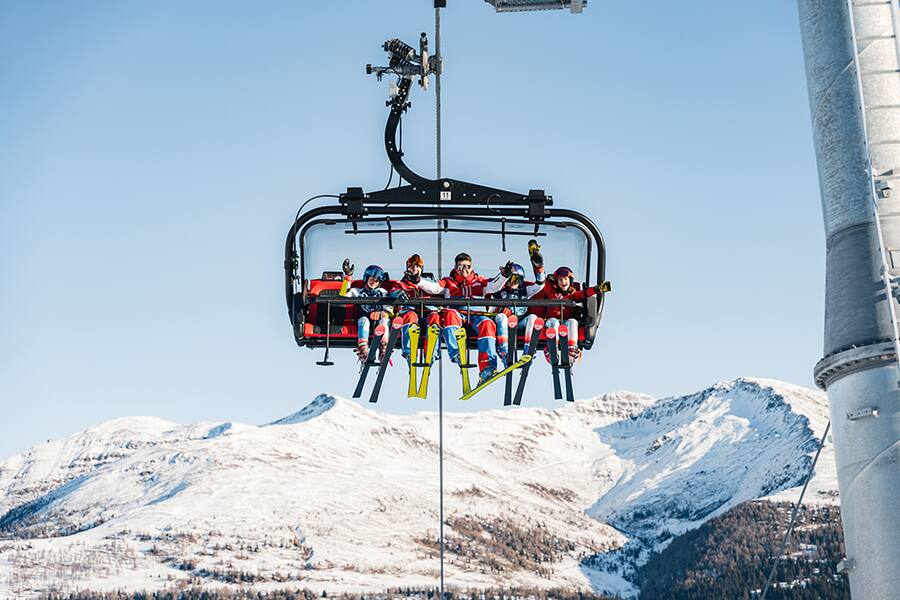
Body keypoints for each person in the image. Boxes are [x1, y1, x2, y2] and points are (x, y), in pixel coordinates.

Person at [426, 252, 505, 383]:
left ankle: (487, 367)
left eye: (467, 266)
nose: (465, 270)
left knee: (487, 324)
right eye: (461, 267)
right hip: (458, 311)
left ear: (472, 267)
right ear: (456, 267)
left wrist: (504, 276)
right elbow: (434, 288)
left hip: (477, 313)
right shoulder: (449, 282)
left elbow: (493, 286)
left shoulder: (479, 281)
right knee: (449, 314)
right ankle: (457, 353)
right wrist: (417, 280)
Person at [527, 266, 608, 363]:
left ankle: (571, 350)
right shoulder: (552, 292)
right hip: (551, 321)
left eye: (565, 279)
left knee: (573, 322)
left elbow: (584, 293)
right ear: (556, 282)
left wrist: (597, 289)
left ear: (570, 280)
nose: (563, 282)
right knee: (554, 322)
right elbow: (543, 282)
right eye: (560, 280)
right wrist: (541, 270)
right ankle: (552, 348)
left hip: (565, 323)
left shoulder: (572, 295)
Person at [339, 260, 403, 361]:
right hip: (364, 320)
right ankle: (363, 349)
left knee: (385, 321)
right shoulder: (358, 291)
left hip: (379, 322)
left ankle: (384, 349)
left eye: (377, 281)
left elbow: (389, 310)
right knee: (364, 320)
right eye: (372, 279)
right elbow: (343, 295)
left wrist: (382, 314)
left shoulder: (382, 292)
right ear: (366, 278)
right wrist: (348, 277)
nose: (374, 283)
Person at [386, 254, 442, 365]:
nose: (414, 269)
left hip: (427, 313)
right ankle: (409, 352)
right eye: (411, 267)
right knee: (410, 316)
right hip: (411, 315)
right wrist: (399, 293)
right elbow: (393, 291)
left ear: (421, 268)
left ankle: (432, 352)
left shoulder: (428, 283)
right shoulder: (402, 284)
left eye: (417, 266)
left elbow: (438, 289)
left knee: (435, 317)